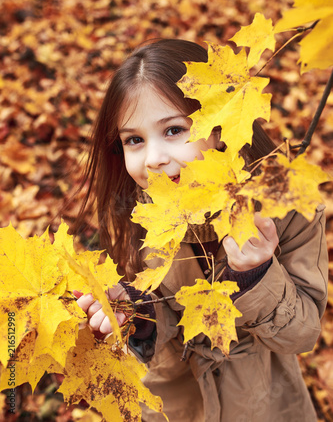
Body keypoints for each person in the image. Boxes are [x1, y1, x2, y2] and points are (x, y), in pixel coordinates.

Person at [72, 39, 328, 422]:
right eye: (134, 140)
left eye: (174, 130)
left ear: (219, 127)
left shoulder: (282, 209)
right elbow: (165, 327)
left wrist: (256, 276)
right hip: (176, 405)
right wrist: (135, 316)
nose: (155, 158)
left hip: (264, 403)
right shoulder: (136, 214)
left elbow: (302, 335)